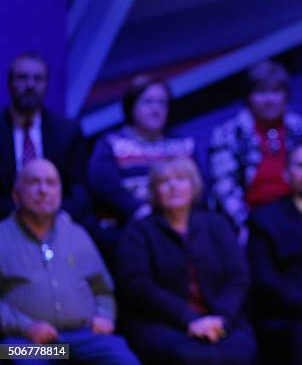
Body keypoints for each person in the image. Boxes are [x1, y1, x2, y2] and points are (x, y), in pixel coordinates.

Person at [115, 157, 256, 364]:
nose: (174, 187)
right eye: (164, 182)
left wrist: (221, 318)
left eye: (181, 179)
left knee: (241, 349)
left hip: (222, 318)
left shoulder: (215, 224)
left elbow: (238, 277)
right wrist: (189, 319)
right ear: (155, 191)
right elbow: (138, 286)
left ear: (194, 185)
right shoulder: (139, 232)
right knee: (191, 356)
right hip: (164, 323)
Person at [0, 159, 139, 365]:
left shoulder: (76, 233)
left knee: (122, 357)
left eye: (51, 183)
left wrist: (104, 315)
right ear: (16, 194)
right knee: (18, 357)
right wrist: (25, 326)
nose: (43, 190)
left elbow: (102, 288)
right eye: (34, 182)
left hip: (83, 337)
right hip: (23, 340)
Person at [88, 75, 204, 254]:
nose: (156, 109)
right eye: (148, 102)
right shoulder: (112, 143)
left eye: (162, 103)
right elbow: (103, 186)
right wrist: (138, 210)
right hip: (127, 228)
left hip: (181, 228)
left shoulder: (183, 144)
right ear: (131, 105)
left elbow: (200, 187)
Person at [248, 140, 302, 364]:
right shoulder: (266, 220)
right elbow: (267, 281)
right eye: (300, 165)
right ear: (286, 174)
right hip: (296, 316)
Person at [208, 60, 302, 243]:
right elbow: (223, 188)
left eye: (275, 91)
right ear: (248, 97)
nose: (269, 100)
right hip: (250, 222)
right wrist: (245, 224)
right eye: (261, 92)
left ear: (285, 95)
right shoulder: (228, 134)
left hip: (301, 215)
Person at [0, 52, 89, 222]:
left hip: (57, 220)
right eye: (22, 78)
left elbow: (79, 190)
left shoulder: (67, 131)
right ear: (10, 83)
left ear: (46, 84)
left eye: (38, 78)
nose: (30, 85)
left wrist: (55, 216)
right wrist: (22, 217)